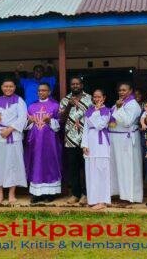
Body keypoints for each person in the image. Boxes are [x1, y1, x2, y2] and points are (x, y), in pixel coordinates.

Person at [0, 79, 28, 204]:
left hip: (13, 136)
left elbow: (23, 118)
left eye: (11, 86)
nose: (8, 88)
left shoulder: (19, 100)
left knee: (13, 164)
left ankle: (11, 194)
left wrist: (10, 129)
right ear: (2, 87)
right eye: (6, 86)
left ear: (15, 87)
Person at [25, 82, 62, 203]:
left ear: (49, 92)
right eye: (39, 90)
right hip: (35, 140)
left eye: (44, 90)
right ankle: (37, 193)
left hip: (49, 141)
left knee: (49, 164)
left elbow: (59, 125)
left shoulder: (55, 105)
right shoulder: (31, 106)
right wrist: (29, 121)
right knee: (36, 164)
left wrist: (50, 120)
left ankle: (50, 193)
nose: (41, 92)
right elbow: (26, 126)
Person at [58, 76, 92, 204]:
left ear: (82, 85)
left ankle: (86, 194)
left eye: (78, 84)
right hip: (71, 139)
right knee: (73, 168)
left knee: (86, 167)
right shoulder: (65, 99)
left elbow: (94, 115)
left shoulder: (89, 99)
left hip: (85, 138)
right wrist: (68, 106)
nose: (75, 86)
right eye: (73, 84)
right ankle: (75, 194)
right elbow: (61, 119)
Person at [109, 82, 144, 204]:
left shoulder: (133, 104)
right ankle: (119, 193)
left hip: (126, 139)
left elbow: (127, 122)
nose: (121, 92)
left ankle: (130, 196)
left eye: (124, 90)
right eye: (120, 90)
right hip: (115, 139)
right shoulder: (118, 103)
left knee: (128, 168)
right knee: (117, 167)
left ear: (130, 91)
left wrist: (118, 108)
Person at [81, 89, 112, 210]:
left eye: (99, 97)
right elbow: (85, 128)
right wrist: (84, 144)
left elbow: (100, 125)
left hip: (101, 144)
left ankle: (103, 200)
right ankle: (93, 199)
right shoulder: (89, 111)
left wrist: (96, 112)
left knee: (101, 171)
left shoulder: (106, 111)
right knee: (91, 172)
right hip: (90, 142)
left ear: (104, 98)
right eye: (95, 97)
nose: (97, 99)